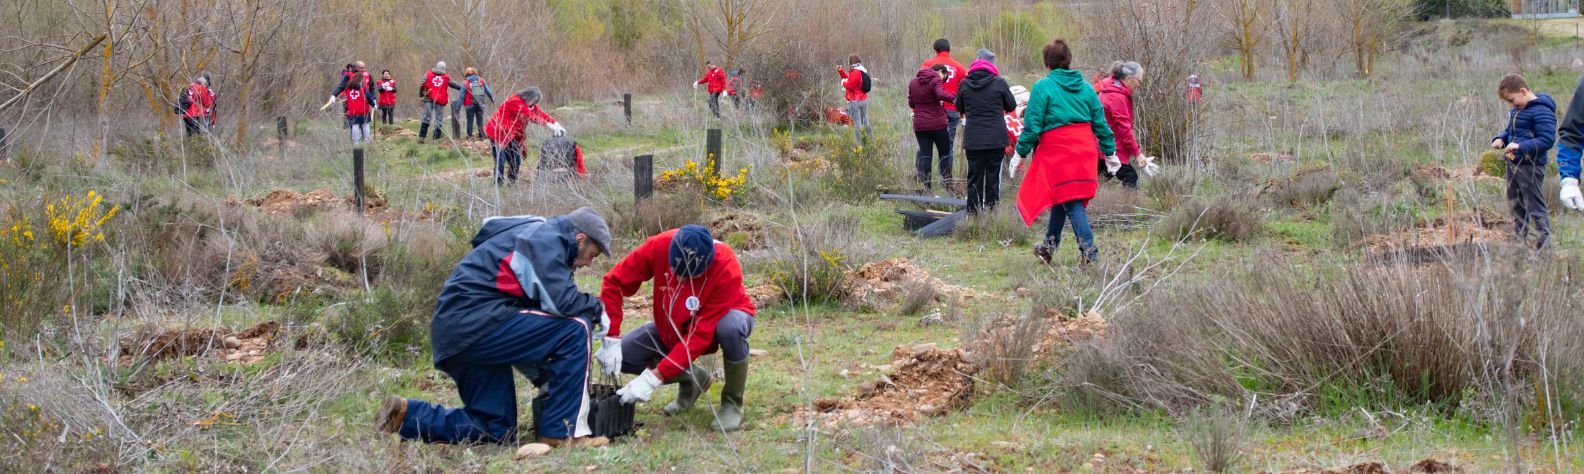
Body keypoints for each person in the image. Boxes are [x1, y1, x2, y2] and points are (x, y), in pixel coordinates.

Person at [374, 208, 614, 449]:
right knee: (575, 329)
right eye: (591, 255)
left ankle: (407, 415)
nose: (587, 264)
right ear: (580, 239)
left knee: (497, 429)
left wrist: (547, 379)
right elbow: (562, 302)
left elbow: (537, 319)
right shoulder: (546, 239)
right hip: (476, 325)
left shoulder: (531, 236)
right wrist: (598, 310)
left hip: (459, 335)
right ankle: (562, 433)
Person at [597, 225, 756, 432]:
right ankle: (693, 377)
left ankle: (732, 403)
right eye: (676, 272)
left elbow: (698, 336)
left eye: (690, 276)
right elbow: (614, 282)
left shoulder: (725, 266)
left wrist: (654, 377)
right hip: (672, 322)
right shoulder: (658, 245)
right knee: (625, 355)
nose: (681, 280)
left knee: (730, 329)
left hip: (723, 317)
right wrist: (611, 338)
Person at [1014, 39, 1116, 265]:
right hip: (1084, 151)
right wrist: (1110, 151)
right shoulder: (1088, 89)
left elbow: (1033, 126)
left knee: (1072, 201)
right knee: (1062, 197)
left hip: (1058, 153)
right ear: (1069, 60)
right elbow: (1100, 123)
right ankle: (1048, 248)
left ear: (1047, 64)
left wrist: (1019, 152)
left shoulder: (1043, 87)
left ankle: (1090, 254)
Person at [1491, 74, 1557, 249]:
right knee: (1517, 206)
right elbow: (1512, 131)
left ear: (1523, 91)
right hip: (1513, 164)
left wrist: (1520, 146)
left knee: (1535, 208)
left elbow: (1547, 140)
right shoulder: (1518, 109)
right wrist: (1501, 139)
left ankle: (1543, 248)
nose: (1511, 104)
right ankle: (1518, 245)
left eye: (1512, 100)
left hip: (1531, 167)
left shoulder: (1542, 110)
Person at [955, 49, 1016, 214]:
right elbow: (1011, 105)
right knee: (993, 179)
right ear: (992, 65)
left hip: (974, 138)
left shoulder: (964, 84)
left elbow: (958, 106)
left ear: (975, 63)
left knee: (974, 179)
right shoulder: (999, 83)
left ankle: (974, 217)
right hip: (996, 138)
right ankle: (991, 215)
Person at [483, 87, 567, 185]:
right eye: (534, 101)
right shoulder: (514, 101)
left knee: (516, 160)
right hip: (497, 133)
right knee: (500, 160)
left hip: (511, 135)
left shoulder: (528, 105)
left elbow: (541, 114)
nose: (534, 104)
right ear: (528, 96)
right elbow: (530, 116)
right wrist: (549, 126)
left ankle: (512, 182)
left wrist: (556, 124)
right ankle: (498, 184)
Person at [1095, 61, 1158, 188]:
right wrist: (1138, 154)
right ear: (1129, 79)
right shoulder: (1116, 97)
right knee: (1130, 177)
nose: (1139, 85)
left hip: (1102, 146)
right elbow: (1125, 129)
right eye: (1139, 81)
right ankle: (1128, 207)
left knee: (1099, 179)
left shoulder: (1110, 88)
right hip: (1111, 148)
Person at [910, 64, 957, 192]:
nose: (943, 80)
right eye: (944, 77)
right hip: (937, 124)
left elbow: (911, 102)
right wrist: (954, 99)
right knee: (944, 154)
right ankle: (948, 186)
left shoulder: (913, 82)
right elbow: (940, 93)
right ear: (940, 72)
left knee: (925, 155)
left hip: (920, 124)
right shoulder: (936, 80)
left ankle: (927, 188)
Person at [921, 38, 967, 150]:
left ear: (935, 51)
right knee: (948, 146)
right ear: (949, 51)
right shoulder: (960, 67)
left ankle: (923, 168)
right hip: (952, 108)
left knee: (926, 147)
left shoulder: (927, 64)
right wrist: (963, 111)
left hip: (930, 109)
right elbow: (964, 91)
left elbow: (920, 86)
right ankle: (946, 168)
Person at [419, 61, 463, 144]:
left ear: (436, 66)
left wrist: (421, 95)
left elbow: (421, 84)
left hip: (428, 98)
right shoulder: (446, 77)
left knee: (426, 117)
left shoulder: (428, 74)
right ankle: (436, 139)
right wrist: (463, 88)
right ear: (444, 68)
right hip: (440, 100)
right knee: (438, 119)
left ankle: (421, 137)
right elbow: (453, 84)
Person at [838, 55, 872, 142]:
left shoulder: (855, 72)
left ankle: (858, 144)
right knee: (865, 121)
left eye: (848, 61)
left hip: (855, 102)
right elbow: (849, 79)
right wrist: (840, 71)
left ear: (851, 62)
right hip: (863, 100)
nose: (848, 63)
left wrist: (843, 83)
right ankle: (871, 140)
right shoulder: (860, 70)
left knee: (857, 123)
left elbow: (849, 85)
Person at [340, 69, 377, 146]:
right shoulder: (363, 88)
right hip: (363, 110)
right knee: (365, 125)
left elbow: (345, 99)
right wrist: (374, 105)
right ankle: (366, 142)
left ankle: (355, 143)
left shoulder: (347, 89)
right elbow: (369, 98)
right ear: (360, 79)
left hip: (352, 111)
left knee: (355, 125)